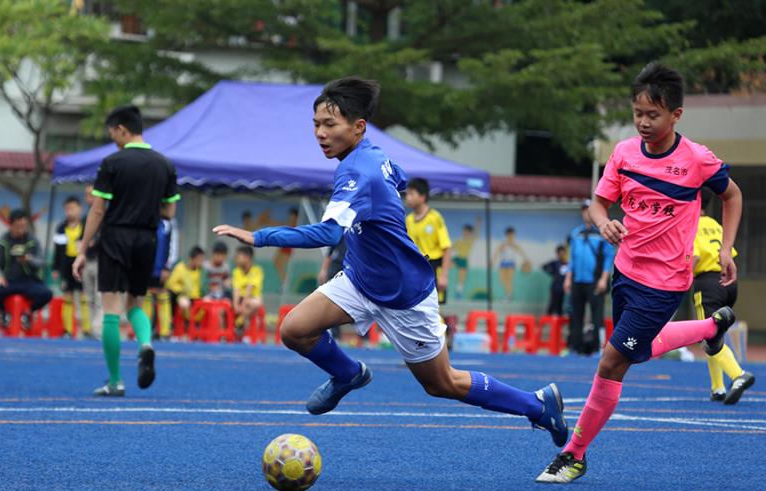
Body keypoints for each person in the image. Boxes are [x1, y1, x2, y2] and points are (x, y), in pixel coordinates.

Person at [213, 76, 568, 449]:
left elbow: (329, 234)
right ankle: (348, 374)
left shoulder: (357, 171)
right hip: (360, 279)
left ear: (358, 127)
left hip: (403, 295)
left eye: (329, 124)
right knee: (294, 330)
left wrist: (258, 237)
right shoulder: (370, 157)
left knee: (442, 383)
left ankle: (537, 405)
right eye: (316, 124)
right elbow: (397, 177)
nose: (320, 133)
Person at [536, 62, 742, 483]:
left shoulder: (696, 159)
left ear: (676, 115)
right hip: (625, 272)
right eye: (638, 114)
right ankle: (711, 327)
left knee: (612, 362)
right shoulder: (624, 154)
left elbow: (733, 196)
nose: (644, 122)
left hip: (665, 282)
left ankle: (574, 455)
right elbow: (599, 204)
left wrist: (725, 249)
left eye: (653, 115)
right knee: (636, 347)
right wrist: (603, 223)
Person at [72, 104, 180, 397]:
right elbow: (169, 211)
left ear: (121, 129)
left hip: (115, 238)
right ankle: (145, 344)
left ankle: (115, 381)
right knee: (135, 303)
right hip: (147, 239)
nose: (112, 139)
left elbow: (97, 210)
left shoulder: (112, 162)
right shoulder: (165, 164)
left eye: (112, 133)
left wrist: (82, 249)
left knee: (111, 308)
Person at [693, 190, 754, 404]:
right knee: (713, 335)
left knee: (709, 336)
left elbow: (695, 256)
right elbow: (731, 253)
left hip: (707, 283)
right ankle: (717, 388)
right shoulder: (716, 225)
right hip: (728, 283)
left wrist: (679, 282)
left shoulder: (691, 225)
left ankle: (738, 374)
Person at [0, 209, 53, 330]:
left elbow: (42, 262)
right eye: (18, 226)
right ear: (11, 225)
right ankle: (3, 312)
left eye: (24, 226)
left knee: (47, 294)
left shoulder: (33, 240)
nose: (21, 229)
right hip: (7, 281)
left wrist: (29, 259)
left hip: (28, 281)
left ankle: (28, 313)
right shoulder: (2, 241)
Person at [565, 201, 615, 355]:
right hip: (577, 280)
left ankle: (597, 348)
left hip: (595, 281)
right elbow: (572, 258)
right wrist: (568, 278)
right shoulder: (575, 233)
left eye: (588, 210)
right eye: (584, 210)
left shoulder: (602, 234)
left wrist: (604, 279)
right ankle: (575, 347)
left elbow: (608, 257)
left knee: (597, 316)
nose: (586, 213)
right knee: (576, 315)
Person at [404, 178, 452, 304]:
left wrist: (444, 276)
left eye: (411, 194)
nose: (407, 197)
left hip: (433, 267)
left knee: (435, 307)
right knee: (416, 305)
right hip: (416, 269)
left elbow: (447, 247)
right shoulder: (408, 220)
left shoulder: (435, 218)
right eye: (407, 194)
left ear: (422, 197)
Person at [52, 196, 91, 338]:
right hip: (66, 265)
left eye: (73, 208)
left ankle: (87, 329)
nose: (70, 211)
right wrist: (56, 268)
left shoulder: (85, 226)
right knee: (67, 297)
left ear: (79, 209)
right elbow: (57, 250)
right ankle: (68, 330)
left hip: (81, 264)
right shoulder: (61, 228)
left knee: (84, 297)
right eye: (67, 209)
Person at [143, 214, 178, 340]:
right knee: (145, 295)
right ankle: (144, 331)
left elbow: (173, 245)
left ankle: (165, 332)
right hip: (145, 264)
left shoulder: (169, 221)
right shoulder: (145, 215)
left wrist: (167, 266)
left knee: (162, 294)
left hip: (161, 266)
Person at [81, 185, 103, 339]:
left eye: (91, 194)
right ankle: (90, 328)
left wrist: (94, 242)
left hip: (101, 261)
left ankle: (98, 328)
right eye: (86, 195)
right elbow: (81, 238)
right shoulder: (85, 218)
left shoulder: (106, 215)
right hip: (87, 261)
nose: (89, 198)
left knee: (100, 297)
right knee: (89, 297)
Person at [232, 245, 264, 338]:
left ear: (247, 258)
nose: (236, 259)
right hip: (240, 299)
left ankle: (239, 323)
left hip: (251, 299)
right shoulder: (236, 271)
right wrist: (236, 305)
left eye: (239, 257)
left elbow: (249, 288)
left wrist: (243, 305)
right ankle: (239, 329)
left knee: (256, 303)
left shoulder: (257, 270)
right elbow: (236, 289)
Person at [492, 227, 530, 302]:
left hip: (511, 263)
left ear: (514, 235)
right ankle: (508, 294)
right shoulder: (502, 244)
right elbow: (496, 253)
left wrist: (526, 260)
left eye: (512, 235)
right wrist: (493, 261)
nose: (511, 237)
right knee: (502, 279)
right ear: (506, 235)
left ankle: (509, 296)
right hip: (503, 263)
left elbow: (522, 253)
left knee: (509, 280)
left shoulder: (515, 245)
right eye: (509, 235)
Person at [167, 246, 205, 318]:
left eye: (202, 260)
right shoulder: (180, 268)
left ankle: (196, 322)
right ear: (191, 258)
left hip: (197, 298)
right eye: (199, 260)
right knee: (185, 304)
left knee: (206, 304)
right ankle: (186, 322)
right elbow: (171, 284)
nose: (201, 262)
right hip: (182, 296)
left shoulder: (201, 271)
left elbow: (202, 287)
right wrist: (181, 290)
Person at [452, 219, 480, 299]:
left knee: (461, 278)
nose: (465, 233)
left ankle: (459, 292)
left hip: (464, 260)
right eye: (464, 231)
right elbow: (451, 248)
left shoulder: (471, 240)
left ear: (470, 232)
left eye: (467, 231)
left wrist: (478, 223)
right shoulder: (459, 240)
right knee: (445, 268)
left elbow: (476, 234)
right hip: (457, 258)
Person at [273, 207, 299, 287]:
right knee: (277, 261)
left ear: (295, 216)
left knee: (279, 263)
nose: (291, 217)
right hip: (284, 245)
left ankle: (285, 282)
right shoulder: (289, 224)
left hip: (288, 247)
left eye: (292, 216)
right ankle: (285, 282)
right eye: (290, 216)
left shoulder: (294, 225)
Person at [542, 244, 568, 316]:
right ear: (557, 254)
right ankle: (548, 319)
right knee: (552, 304)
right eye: (560, 253)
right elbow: (544, 267)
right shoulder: (554, 263)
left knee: (560, 305)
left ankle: (559, 319)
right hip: (555, 286)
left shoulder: (566, 264)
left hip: (563, 287)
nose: (561, 255)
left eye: (563, 253)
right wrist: (552, 273)